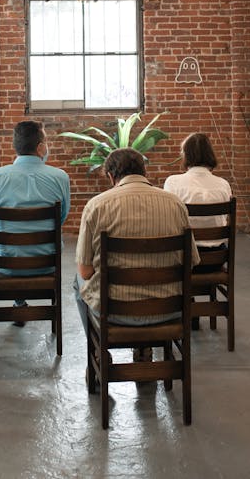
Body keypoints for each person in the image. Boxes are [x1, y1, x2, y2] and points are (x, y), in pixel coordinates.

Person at [75, 148, 200, 368]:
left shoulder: (97, 206)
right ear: (145, 172)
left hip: (115, 312)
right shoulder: (175, 204)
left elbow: (85, 272)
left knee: (77, 284)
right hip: (168, 309)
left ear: (111, 177)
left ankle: (99, 353)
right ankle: (144, 349)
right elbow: (190, 262)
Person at [0, 120, 70, 325]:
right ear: (40, 147)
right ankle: (20, 302)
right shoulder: (60, 177)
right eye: (46, 141)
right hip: (47, 263)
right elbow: (61, 217)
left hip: (6, 266)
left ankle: (18, 301)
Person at [164, 132, 233, 328]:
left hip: (185, 260)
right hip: (216, 259)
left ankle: (184, 308)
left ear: (186, 155)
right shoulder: (223, 185)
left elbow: (170, 221)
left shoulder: (173, 183)